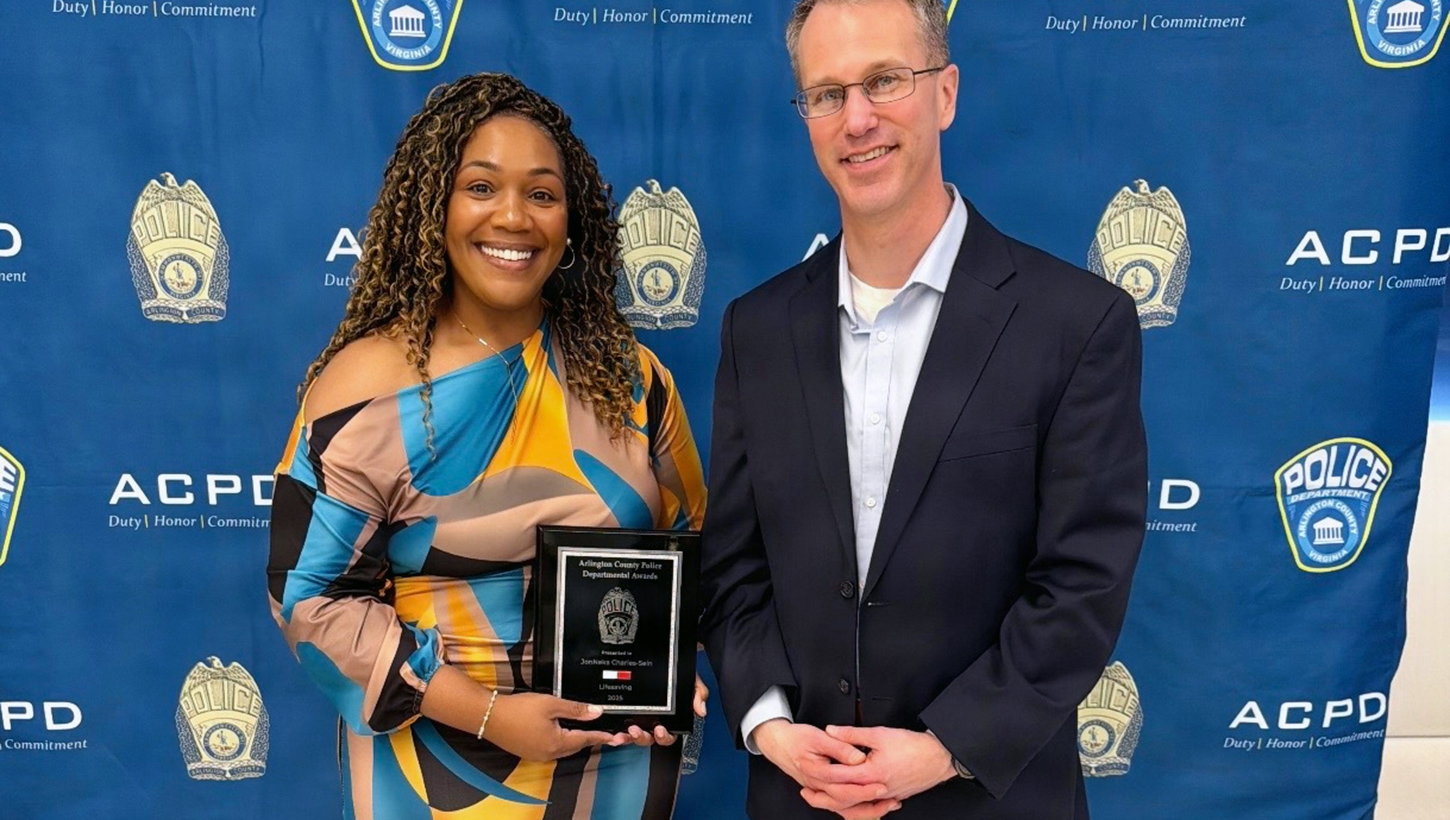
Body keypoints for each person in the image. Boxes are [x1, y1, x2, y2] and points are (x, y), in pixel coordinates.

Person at [698, 1, 1148, 818]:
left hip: (991, 797)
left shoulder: (1076, 323)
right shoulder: (756, 329)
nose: (857, 118)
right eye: (826, 94)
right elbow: (732, 566)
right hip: (804, 795)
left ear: (945, 93)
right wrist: (770, 726)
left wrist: (948, 748)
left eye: (884, 81)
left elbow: (1083, 583)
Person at [267, 73, 708, 820]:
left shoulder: (632, 379)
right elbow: (311, 602)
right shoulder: (365, 387)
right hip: (432, 768)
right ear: (433, 207)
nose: (514, 217)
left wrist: (670, 660)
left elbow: (688, 537)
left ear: (572, 222)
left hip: (614, 764)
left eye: (541, 194)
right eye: (481, 187)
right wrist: (489, 714)